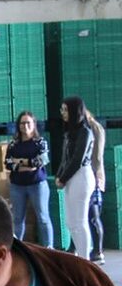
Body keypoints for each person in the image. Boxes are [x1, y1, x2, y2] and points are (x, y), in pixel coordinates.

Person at [4, 111, 53, 247]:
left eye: (28, 123)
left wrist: (19, 162)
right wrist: (28, 163)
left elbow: (40, 162)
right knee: (18, 219)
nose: (25, 126)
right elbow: (8, 164)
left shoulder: (40, 143)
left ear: (34, 125)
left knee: (43, 217)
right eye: (22, 123)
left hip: (37, 185)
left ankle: (49, 248)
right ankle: (16, 249)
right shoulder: (13, 144)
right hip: (17, 186)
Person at [56, 96, 95, 260]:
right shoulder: (70, 132)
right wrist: (60, 175)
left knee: (79, 221)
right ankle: (80, 256)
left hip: (81, 177)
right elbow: (65, 158)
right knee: (70, 222)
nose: (63, 113)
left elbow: (77, 159)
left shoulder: (85, 132)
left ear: (74, 111)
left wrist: (63, 178)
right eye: (62, 109)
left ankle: (85, 259)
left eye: (65, 109)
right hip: (72, 177)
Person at [86, 108, 106, 265]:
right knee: (81, 216)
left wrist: (95, 176)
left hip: (93, 177)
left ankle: (98, 251)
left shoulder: (95, 128)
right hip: (82, 178)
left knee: (93, 215)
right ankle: (77, 247)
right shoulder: (80, 130)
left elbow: (97, 156)